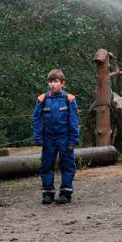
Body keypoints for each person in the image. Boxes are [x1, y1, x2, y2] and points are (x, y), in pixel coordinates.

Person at [32, 69, 80, 205]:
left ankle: (65, 193)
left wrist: (73, 140)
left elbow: (74, 121)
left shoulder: (69, 99)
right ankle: (48, 193)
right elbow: (36, 119)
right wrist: (38, 137)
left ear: (62, 83)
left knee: (67, 165)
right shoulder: (42, 99)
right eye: (50, 82)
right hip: (48, 139)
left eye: (56, 81)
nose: (53, 84)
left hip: (65, 138)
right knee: (46, 166)